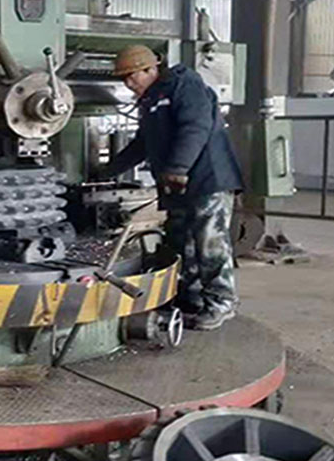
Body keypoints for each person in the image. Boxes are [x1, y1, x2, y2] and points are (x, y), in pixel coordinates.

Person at [103, 44, 243, 330]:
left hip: (206, 179)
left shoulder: (184, 85)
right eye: (123, 78)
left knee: (209, 242)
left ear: (151, 69)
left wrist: (178, 167)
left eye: (132, 75)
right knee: (181, 242)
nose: (128, 83)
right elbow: (142, 144)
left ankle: (221, 302)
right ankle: (189, 299)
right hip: (176, 185)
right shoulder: (151, 99)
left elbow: (195, 126)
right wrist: (105, 172)